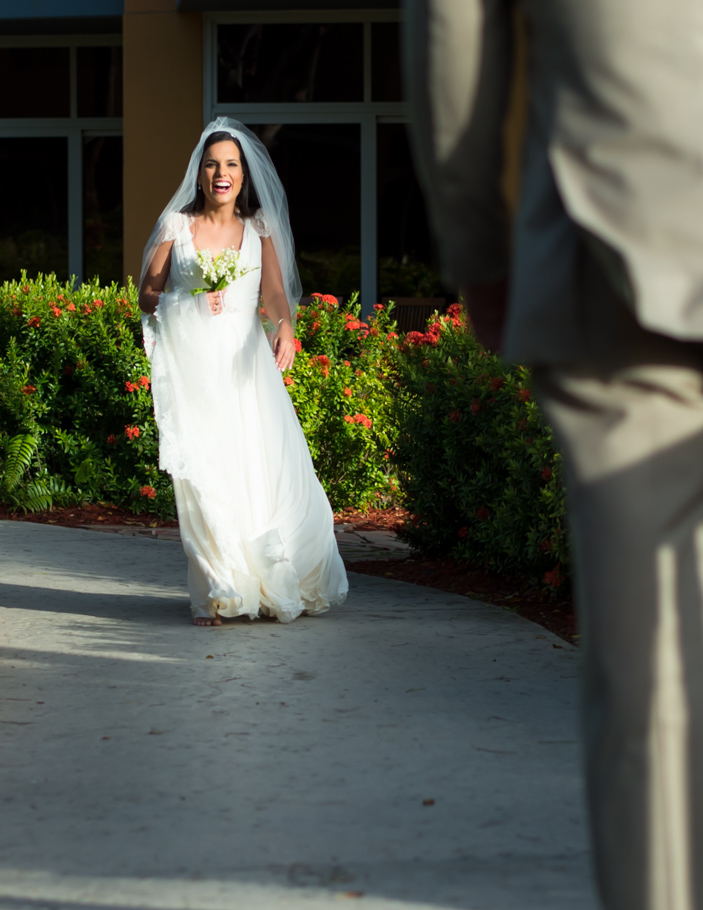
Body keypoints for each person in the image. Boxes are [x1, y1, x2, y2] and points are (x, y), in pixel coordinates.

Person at [404, 2, 703, 908]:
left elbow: (451, 28)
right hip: (628, 227)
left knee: (650, 673)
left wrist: (478, 248)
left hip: (625, 217)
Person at [139, 117, 348, 627]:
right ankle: (220, 588)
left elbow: (274, 294)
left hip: (246, 368)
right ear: (200, 172)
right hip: (196, 372)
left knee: (255, 470)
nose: (221, 173)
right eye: (212, 164)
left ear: (243, 173)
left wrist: (285, 328)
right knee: (207, 471)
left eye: (231, 164)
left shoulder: (258, 229)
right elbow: (146, 294)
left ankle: (268, 579)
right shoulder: (176, 227)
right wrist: (185, 298)